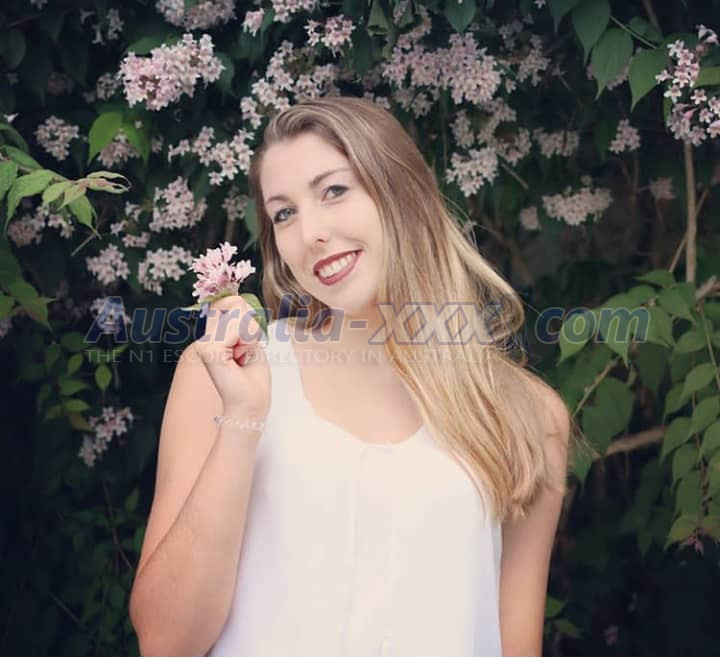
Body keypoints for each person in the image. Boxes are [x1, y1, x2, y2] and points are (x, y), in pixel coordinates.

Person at [128, 96, 573, 656]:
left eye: (334, 190)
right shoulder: (225, 375)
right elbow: (165, 642)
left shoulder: (527, 416)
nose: (310, 232)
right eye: (283, 213)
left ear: (402, 193)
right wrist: (243, 419)